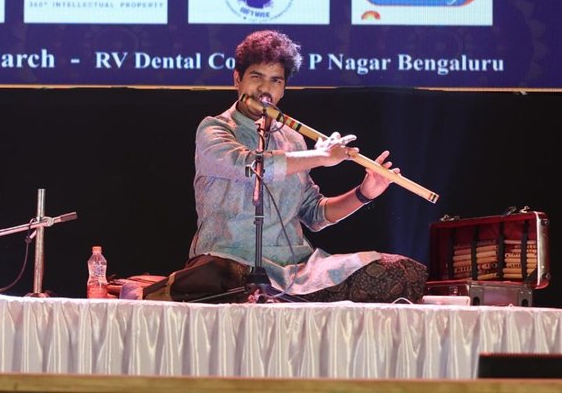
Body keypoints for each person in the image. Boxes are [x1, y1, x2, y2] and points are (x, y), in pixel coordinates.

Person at [178, 29, 427, 302]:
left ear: (283, 88)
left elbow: (314, 213)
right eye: (256, 77)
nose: (265, 89)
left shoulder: (293, 140)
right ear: (237, 79)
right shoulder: (215, 129)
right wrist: (321, 157)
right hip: (230, 261)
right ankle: (265, 297)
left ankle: (280, 297)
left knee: (403, 272)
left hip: (294, 268)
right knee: (224, 279)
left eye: (275, 80)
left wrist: (364, 193)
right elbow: (247, 164)